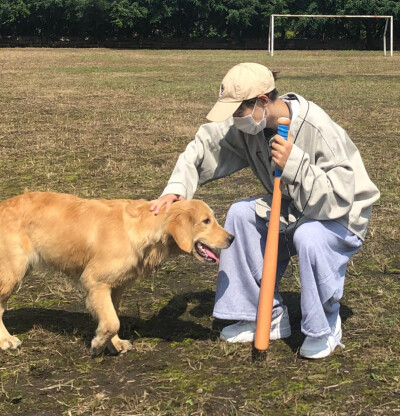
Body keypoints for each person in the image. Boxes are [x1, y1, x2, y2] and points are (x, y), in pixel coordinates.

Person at [150, 62, 380, 359]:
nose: (234, 119)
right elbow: (205, 145)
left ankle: (324, 325)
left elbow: (340, 197)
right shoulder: (249, 125)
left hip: (341, 216)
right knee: (241, 215)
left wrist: (295, 165)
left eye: (238, 111)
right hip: (294, 208)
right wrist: (176, 187)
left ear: (262, 102)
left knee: (310, 236)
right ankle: (263, 313)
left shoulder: (317, 128)